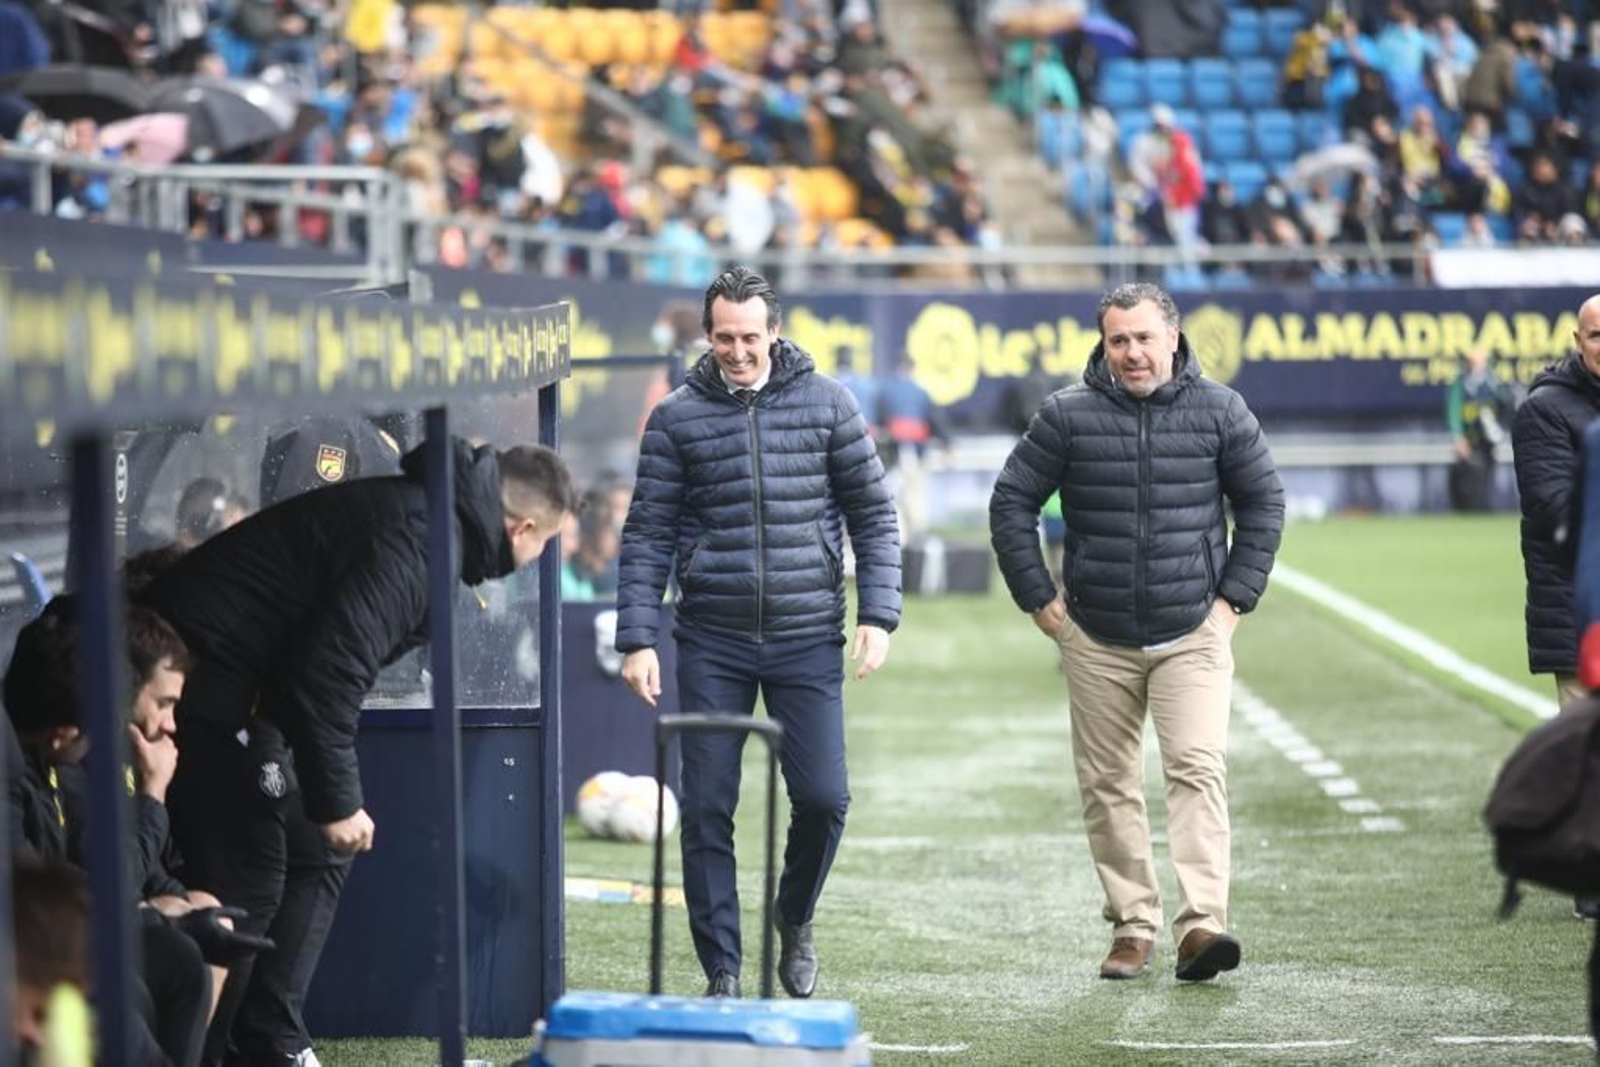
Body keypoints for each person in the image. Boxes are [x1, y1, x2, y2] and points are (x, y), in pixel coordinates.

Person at [135, 438, 578, 1065]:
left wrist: (317, 790)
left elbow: (312, 661)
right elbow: (331, 670)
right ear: (523, 527)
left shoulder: (430, 524)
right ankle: (205, 1055)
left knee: (314, 848)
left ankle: (271, 1043)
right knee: (253, 874)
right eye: (541, 546)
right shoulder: (424, 540)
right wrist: (337, 800)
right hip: (191, 685)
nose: (533, 558)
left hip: (236, 692)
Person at [615, 266, 902, 1000]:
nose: (737, 350)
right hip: (710, 637)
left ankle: (794, 917)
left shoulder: (830, 403)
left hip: (808, 633)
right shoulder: (676, 417)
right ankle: (723, 969)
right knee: (707, 805)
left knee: (825, 797)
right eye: (723, 337)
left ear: (774, 331)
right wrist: (638, 636)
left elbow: (873, 513)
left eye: (749, 336)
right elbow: (646, 531)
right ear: (707, 336)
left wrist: (877, 614)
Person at [989, 282, 1284, 983]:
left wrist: (1231, 604)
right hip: (1096, 634)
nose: (1132, 352)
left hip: (1194, 630)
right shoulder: (1066, 415)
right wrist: (1043, 604)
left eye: (1144, 337)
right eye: (1118, 339)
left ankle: (1202, 924)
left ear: (1173, 338)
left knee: (1197, 769)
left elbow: (1263, 501)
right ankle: (1132, 926)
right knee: (1108, 783)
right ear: (1104, 343)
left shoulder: (1221, 410)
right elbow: (1010, 504)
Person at [1513, 294, 1600, 711]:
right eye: (1598, 335)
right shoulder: (1544, 411)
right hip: (1582, 621)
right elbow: (1558, 514)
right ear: (1578, 340)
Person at [1446, 348, 1516, 512]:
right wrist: (1458, 437)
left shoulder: (1492, 381)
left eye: (1479, 360)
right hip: (1469, 438)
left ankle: (1484, 508)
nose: (1477, 364)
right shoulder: (1461, 382)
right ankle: (1467, 509)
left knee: (1487, 473)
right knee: (1468, 477)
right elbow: (1454, 410)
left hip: (1488, 439)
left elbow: (1505, 404)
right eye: (1473, 361)